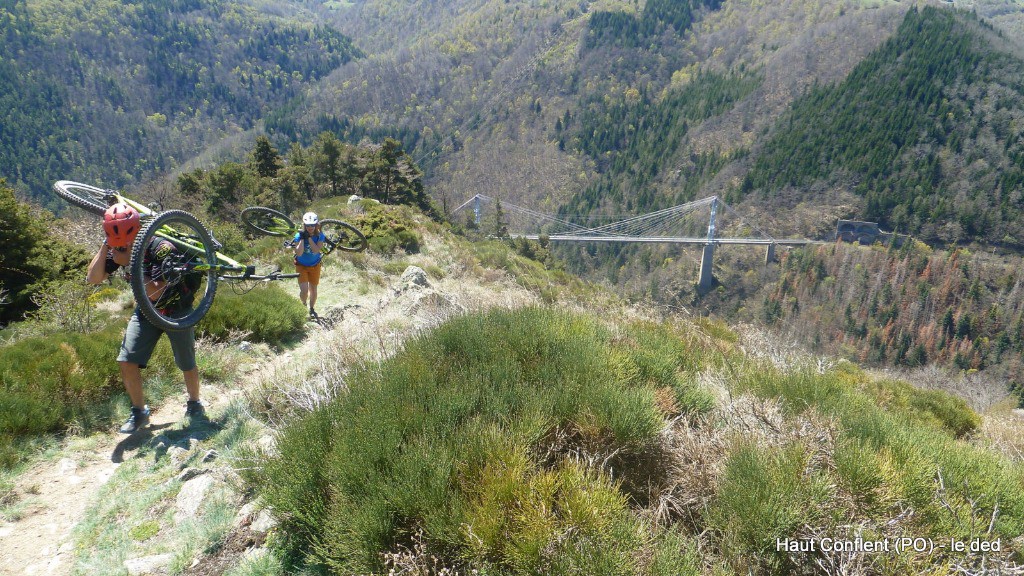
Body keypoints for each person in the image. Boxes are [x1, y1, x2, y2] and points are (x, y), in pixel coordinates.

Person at [86, 203, 205, 433]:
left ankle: (194, 403)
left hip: (176, 310)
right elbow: (93, 278)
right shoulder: (117, 248)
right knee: (127, 360)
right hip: (146, 312)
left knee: (186, 361)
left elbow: (156, 292)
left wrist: (132, 262)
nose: (121, 246)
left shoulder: (161, 248)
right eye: (114, 238)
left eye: (123, 240)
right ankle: (139, 411)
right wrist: (106, 247)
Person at [293, 211, 326, 318]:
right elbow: (299, 253)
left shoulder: (320, 235)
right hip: (301, 266)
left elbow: (316, 250)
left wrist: (309, 238)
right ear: (304, 225)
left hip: (315, 266)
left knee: (313, 290)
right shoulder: (298, 235)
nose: (310, 227)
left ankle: (311, 309)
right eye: (308, 225)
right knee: (304, 290)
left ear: (316, 225)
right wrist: (302, 238)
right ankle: (303, 305)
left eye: (312, 225)